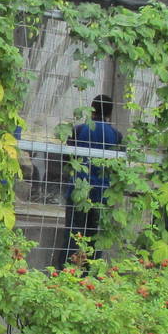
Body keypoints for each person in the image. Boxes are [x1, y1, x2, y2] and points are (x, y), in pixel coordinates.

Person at [58, 93, 121, 265]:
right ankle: (90, 276)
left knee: (73, 235)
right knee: (96, 238)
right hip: (102, 194)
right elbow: (118, 168)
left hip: (79, 190)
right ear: (110, 113)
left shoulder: (79, 130)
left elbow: (68, 159)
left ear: (92, 109)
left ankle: (64, 273)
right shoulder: (116, 135)